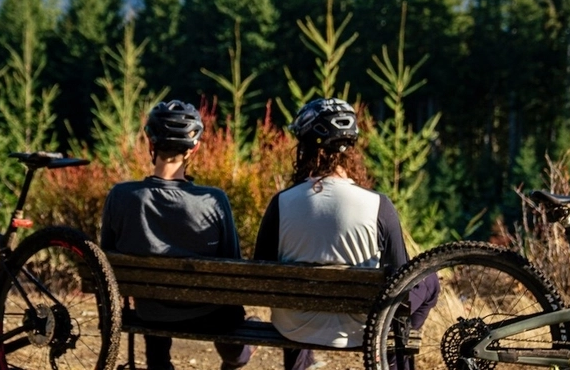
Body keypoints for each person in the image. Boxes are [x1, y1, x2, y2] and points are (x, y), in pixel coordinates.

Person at [254, 98, 440, 370]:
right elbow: (403, 275)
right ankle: (396, 356)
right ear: (351, 149)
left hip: (294, 327)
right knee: (429, 279)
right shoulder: (379, 205)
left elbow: (263, 271)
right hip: (364, 330)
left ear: (304, 147)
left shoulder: (281, 203)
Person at [99, 100, 254, 370]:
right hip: (211, 315)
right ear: (193, 149)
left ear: (151, 143)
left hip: (151, 314)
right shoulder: (214, 200)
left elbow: (106, 259)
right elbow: (232, 263)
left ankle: (159, 364)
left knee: (154, 301)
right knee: (232, 315)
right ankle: (234, 359)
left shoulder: (121, 196)